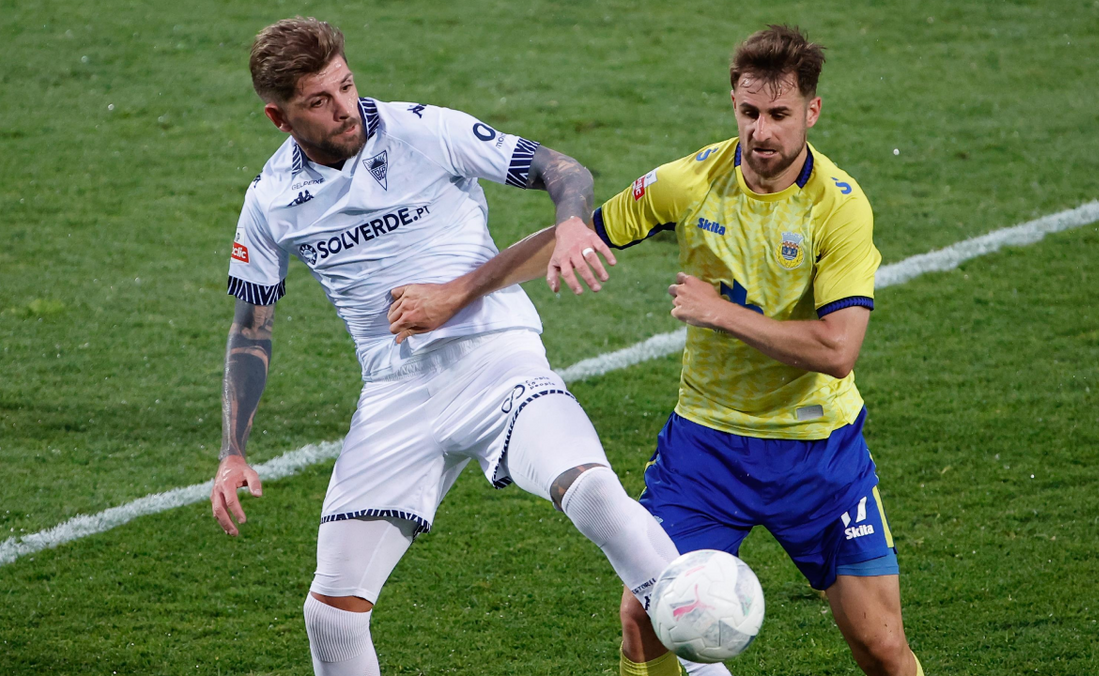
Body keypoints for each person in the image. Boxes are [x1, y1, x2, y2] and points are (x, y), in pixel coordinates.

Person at [390, 25, 924, 676]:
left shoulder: (838, 209)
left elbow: (838, 349)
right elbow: (577, 235)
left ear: (812, 111)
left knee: (881, 647)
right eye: (749, 112)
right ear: (734, 104)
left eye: (780, 115)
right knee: (643, 621)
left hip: (819, 454)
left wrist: (718, 312)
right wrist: (456, 293)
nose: (761, 132)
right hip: (707, 450)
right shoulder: (690, 182)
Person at [209, 17, 679, 676]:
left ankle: (707, 660)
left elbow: (561, 168)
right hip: (396, 394)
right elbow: (251, 327)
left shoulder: (421, 131)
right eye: (319, 100)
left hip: (496, 359)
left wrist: (571, 225)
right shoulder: (270, 201)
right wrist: (233, 452)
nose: (345, 108)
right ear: (279, 117)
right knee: (331, 614)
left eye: (346, 85)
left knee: (593, 493)